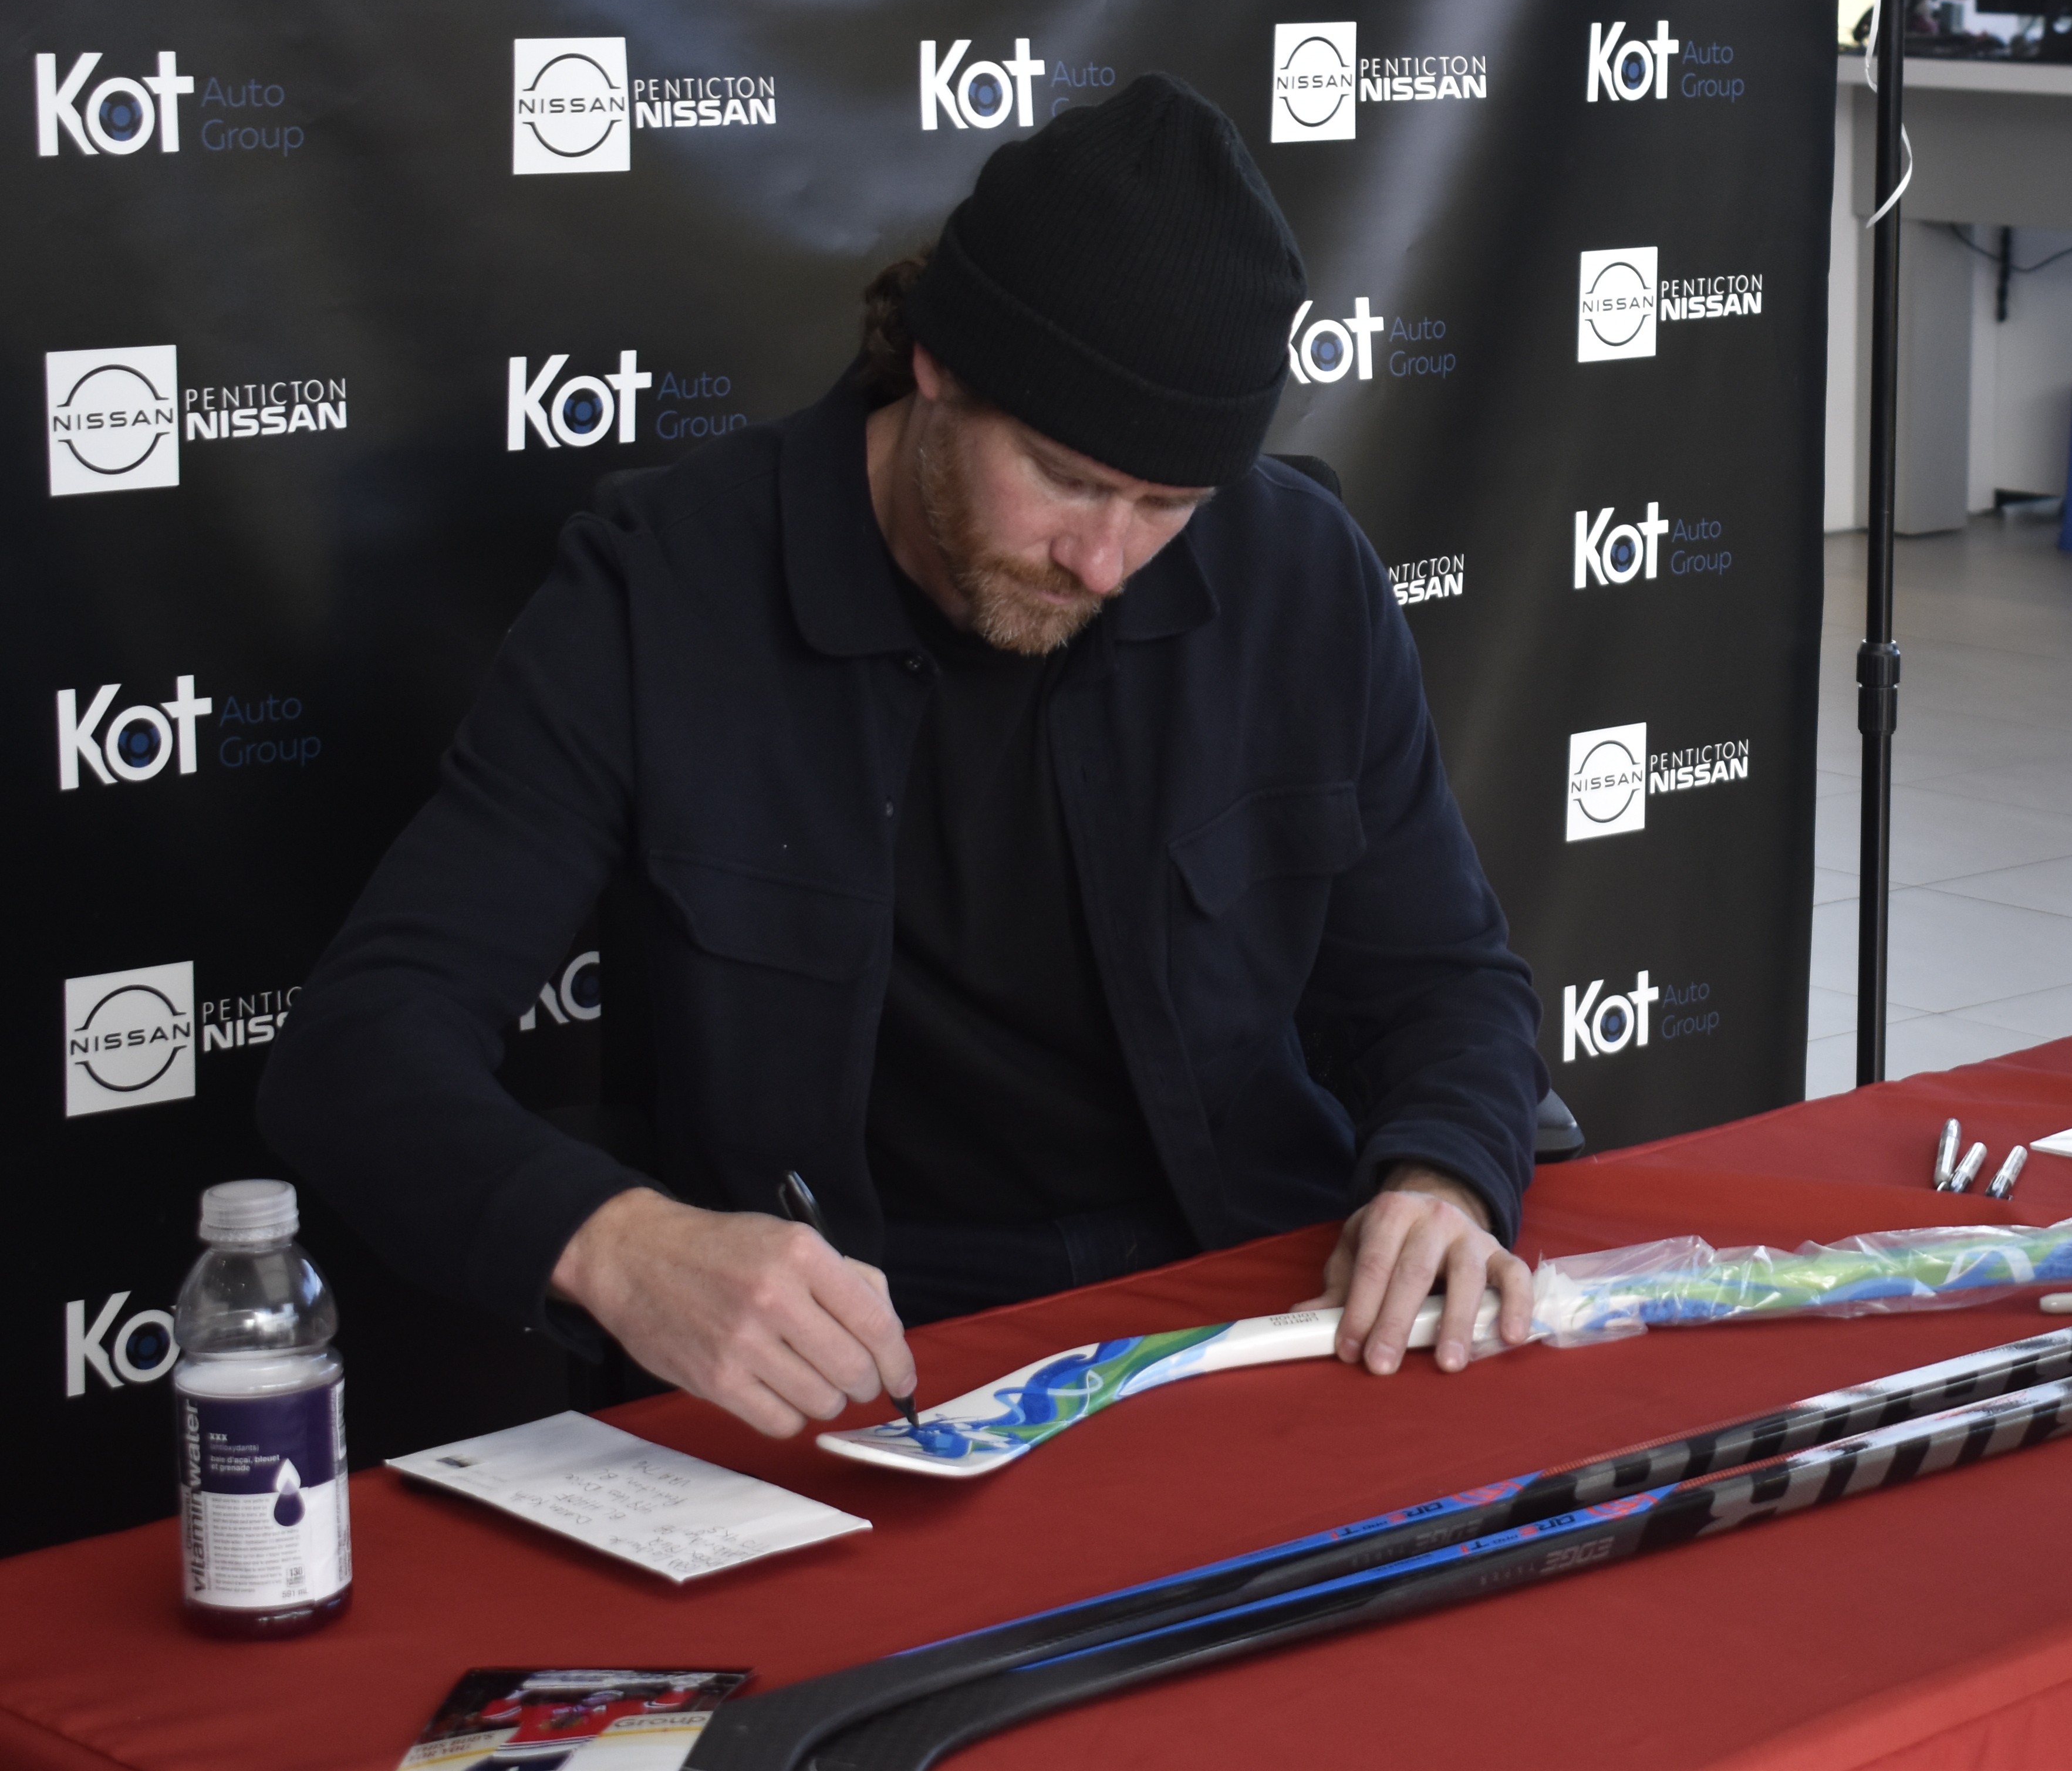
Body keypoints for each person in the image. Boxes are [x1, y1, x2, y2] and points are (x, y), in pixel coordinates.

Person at [262, 74, 1544, 1440]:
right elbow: (358, 1053)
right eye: (1062, 476)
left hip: (1240, 1309)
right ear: (935, 360)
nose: (1104, 558)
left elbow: (1444, 979)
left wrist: (1442, 1175)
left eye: (1170, 503)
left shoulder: (1301, 573)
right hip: (852, 1366)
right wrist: (619, 1244)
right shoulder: (662, 590)